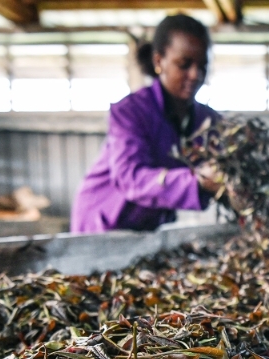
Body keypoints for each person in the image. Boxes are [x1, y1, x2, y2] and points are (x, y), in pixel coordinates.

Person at [71, 14, 221, 233]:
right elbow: (131, 178)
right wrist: (198, 180)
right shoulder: (130, 112)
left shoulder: (208, 121)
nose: (195, 75)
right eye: (184, 64)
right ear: (159, 61)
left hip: (147, 227)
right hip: (103, 222)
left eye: (202, 66)